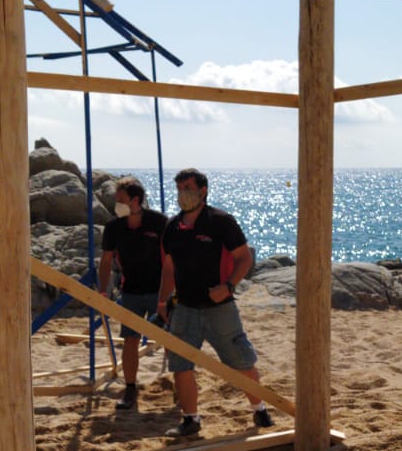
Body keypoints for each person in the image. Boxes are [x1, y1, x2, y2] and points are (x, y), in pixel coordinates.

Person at [156, 168, 272, 437]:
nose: (183, 194)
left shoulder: (221, 222)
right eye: (179, 188)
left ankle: (260, 410)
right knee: (181, 365)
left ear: (203, 191)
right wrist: (163, 300)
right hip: (184, 307)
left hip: (220, 309)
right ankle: (190, 419)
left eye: (187, 187)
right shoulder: (173, 227)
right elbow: (169, 268)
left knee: (241, 361)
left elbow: (244, 258)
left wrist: (229, 286)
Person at [98, 176, 167, 411]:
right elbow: (106, 261)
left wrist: (171, 292)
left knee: (172, 339)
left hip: (159, 290)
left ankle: (179, 384)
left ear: (136, 200)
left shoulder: (158, 222)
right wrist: (102, 292)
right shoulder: (114, 226)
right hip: (131, 291)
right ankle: (130, 389)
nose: (116, 204)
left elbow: (171, 259)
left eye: (121, 200)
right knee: (130, 339)